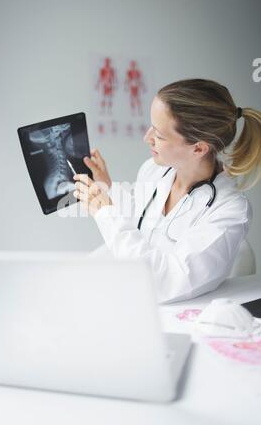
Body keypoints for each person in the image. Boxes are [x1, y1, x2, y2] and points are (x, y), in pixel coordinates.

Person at [73, 79, 261, 303]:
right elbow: (140, 226)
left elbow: (163, 282)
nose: (147, 138)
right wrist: (108, 188)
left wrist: (106, 215)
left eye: (159, 135)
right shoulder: (154, 170)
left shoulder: (229, 210)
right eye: (151, 125)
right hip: (135, 304)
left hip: (180, 322)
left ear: (199, 148)